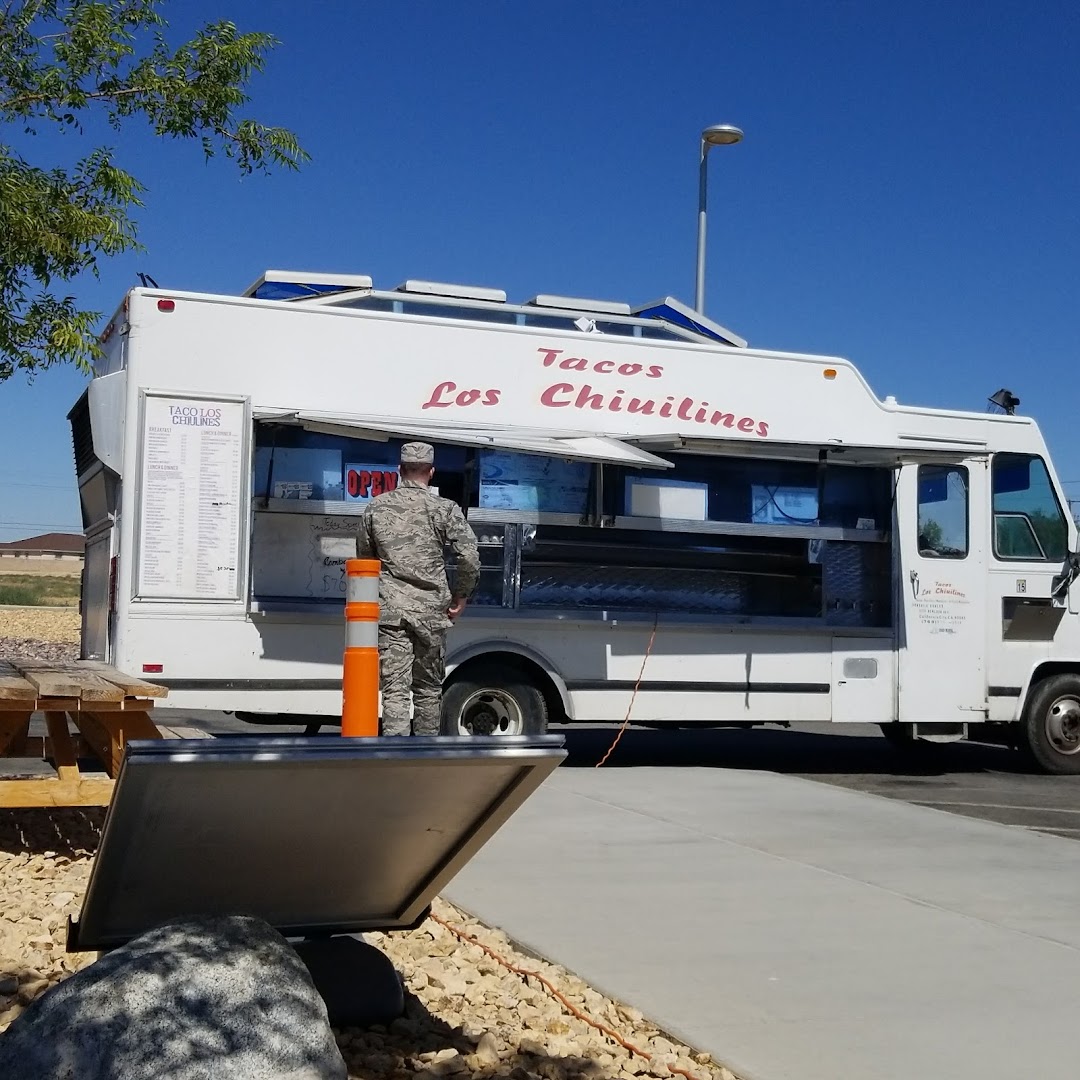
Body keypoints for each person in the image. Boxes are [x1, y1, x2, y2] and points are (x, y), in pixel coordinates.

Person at [356, 442, 480, 736]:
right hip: (431, 613)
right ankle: (425, 755)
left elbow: (365, 559)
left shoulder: (376, 507)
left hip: (391, 613)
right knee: (427, 689)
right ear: (432, 472)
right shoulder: (444, 509)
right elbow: (470, 556)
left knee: (394, 690)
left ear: (400, 470)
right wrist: (461, 595)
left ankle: (394, 759)